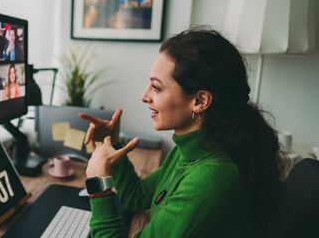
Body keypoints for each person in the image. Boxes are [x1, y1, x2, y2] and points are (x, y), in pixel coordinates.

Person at [80, 29, 288, 237]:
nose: (144, 96)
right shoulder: (192, 149)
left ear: (199, 101)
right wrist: (114, 143)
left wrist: (98, 185)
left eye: (156, 87)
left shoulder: (210, 180)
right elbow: (138, 196)